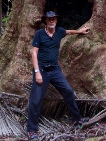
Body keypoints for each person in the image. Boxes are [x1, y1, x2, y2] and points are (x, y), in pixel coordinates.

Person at [26, 11, 90, 140]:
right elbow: (34, 53)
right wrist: (37, 72)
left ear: (56, 20)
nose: (51, 21)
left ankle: (77, 119)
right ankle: (31, 130)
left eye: (54, 19)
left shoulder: (59, 31)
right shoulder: (39, 34)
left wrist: (80, 31)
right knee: (36, 99)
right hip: (42, 71)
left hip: (55, 70)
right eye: (49, 19)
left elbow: (68, 32)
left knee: (68, 91)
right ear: (46, 21)